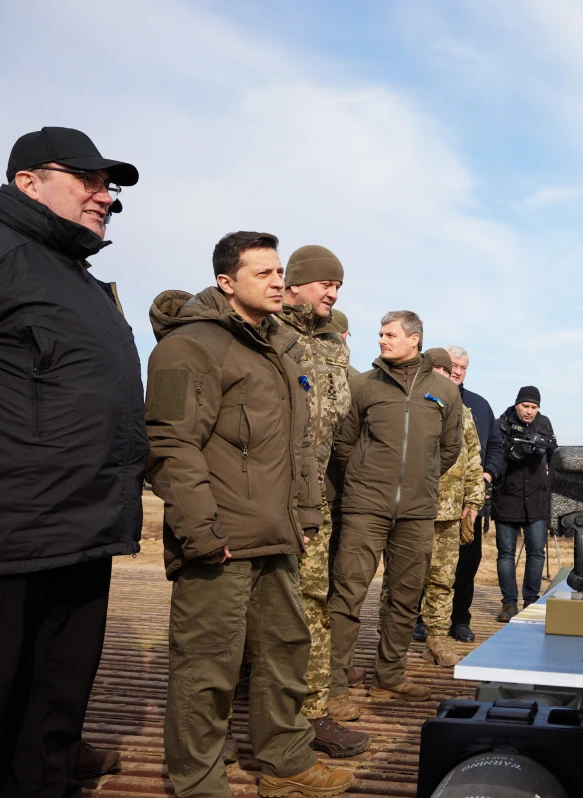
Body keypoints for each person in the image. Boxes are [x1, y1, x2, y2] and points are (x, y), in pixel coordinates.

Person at [146, 231, 353, 797]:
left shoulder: (280, 351)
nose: (277, 281)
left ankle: (285, 765)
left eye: (279, 270)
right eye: (262, 273)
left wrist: (307, 515)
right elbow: (169, 445)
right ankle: (198, 783)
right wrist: (203, 535)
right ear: (225, 282)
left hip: (278, 536)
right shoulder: (187, 347)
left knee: (286, 654)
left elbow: (298, 445)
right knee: (206, 670)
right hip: (221, 542)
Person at [0, 127, 146, 794]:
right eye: (86, 179)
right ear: (28, 180)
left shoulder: (80, 277)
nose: (103, 195)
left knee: (56, 704)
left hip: (83, 527)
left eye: (108, 185)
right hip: (12, 532)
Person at [327, 311, 462, 717]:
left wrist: (422, 478)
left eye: (389, 334)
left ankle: (389, 676)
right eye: (380, 334)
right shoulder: (364, 384)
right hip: (365, 507)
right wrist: (367, 478)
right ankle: (333, 686)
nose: (382, 340)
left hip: (418, 511)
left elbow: (450, 448)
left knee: (405, 597)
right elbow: (344, 442)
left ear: (414, 339)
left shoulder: (444, 390)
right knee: (348, 593)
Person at [272, 246, 369, 758]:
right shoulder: (269, 331)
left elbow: (342, 421)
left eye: (338, 286)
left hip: (317, 496)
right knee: (255, 605)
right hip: (266, 493)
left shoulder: (334, 346)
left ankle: (311, 713)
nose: (332, 292)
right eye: (324, 283)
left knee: (312, 601)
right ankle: (223, 724)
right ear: (293, 286)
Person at [411, 348, 484, 667]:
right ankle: (394, 647)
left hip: (451, 510)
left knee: (443, 579)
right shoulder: (410, 405)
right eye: (442, 370)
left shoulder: (462, 410)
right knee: (405, 581)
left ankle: (437, 641)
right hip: (412, 509)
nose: (448, 376)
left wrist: (473, 501)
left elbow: (473, 456)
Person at [446, 345, 505, 642]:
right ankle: (421, 620)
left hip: (470, 503)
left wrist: (487, 474)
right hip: (431, 503)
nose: (457, 370)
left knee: (467, 564)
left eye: (463, 367)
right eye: (453, 364)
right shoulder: (423, 399)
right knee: (426, 564)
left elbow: (496, 445)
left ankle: (460, 620)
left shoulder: (480, 406)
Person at [492, 386, 557, 622]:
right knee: (506, 554)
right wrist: (513, 451)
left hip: (536, 499)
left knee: (536, 553)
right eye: (525, 406)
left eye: (534, 407)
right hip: (507, 498)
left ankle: (531, 601)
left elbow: (554, 455)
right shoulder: (501, 423)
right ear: (517, 404)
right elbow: (494, 458)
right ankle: (509, 604)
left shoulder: (545, 424)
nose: (529, 411)